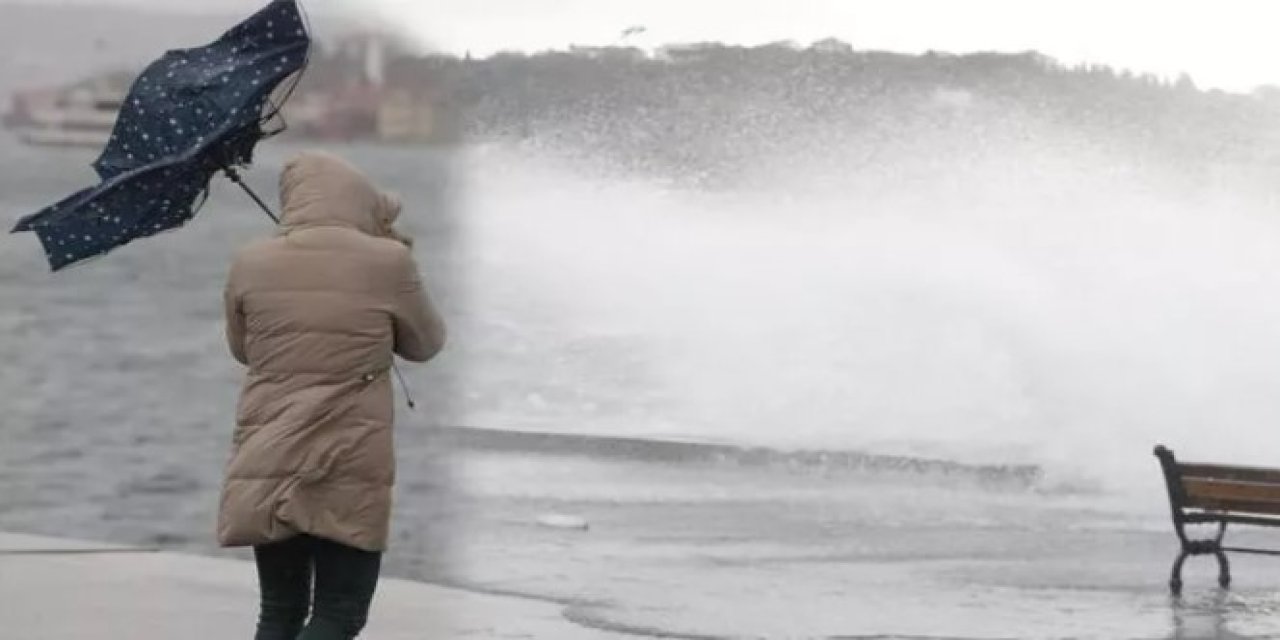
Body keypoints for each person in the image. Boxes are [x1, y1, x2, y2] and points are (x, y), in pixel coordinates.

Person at [216, 150, 447, 639]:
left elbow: (243, 350)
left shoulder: (250, 260)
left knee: (279, 609)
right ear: (359, 201)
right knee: (340, 612)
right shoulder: (389, 259)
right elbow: (427, 345)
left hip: (268, 452)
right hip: (347, 455)